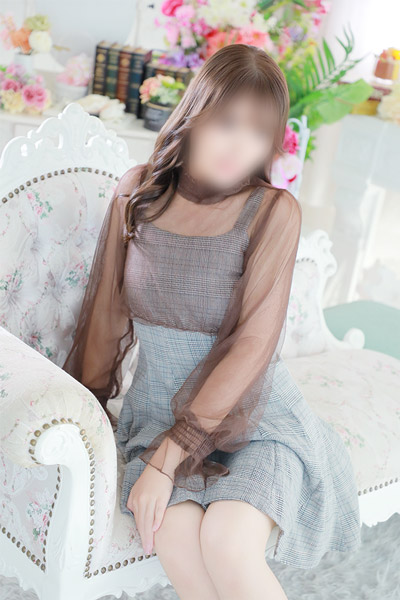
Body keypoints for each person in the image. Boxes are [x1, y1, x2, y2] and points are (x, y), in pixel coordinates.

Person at [62, 43, 361, 599]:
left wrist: (168, 460)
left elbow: (252, 345)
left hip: (256, 420)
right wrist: (89, 416)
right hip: (158, 418)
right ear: (195, 113)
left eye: (258, 132)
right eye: (227, 123)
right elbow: (105, 314)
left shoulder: (272, 212)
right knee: (176, 539)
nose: (239, 145)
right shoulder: (137, 194)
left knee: (227, 542)